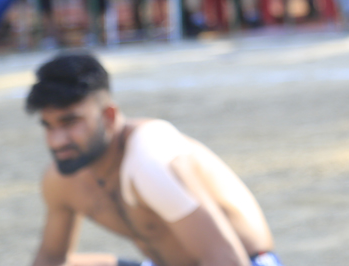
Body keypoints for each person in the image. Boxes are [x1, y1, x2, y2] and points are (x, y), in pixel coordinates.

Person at [25, 52, 282, 266]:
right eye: (48, 126)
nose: (56, 141)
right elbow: (51, 259)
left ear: (109, 116)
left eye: (70, 122)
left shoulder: (150, 161)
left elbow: (226, 259)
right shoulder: (62, 178)